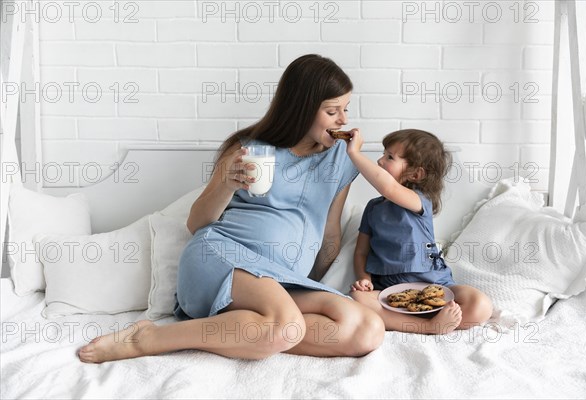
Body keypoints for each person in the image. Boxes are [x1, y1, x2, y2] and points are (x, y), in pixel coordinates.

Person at [78, 54, 384, 363]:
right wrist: (226, 183)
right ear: (302, 107)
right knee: (286, 325)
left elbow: (330, 230)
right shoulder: (248, 149)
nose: (343, 120)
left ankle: (255, 331)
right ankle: (149, 337)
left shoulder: (341, 160)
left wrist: (315, 287)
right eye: (332, 111)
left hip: (281, 283)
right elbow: (197, 223)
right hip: (223, 256)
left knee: (366, 328)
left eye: (345, 109)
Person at [346, 129, 493, 334]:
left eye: (389, 157)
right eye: (383, 154)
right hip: (389, 288)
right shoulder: (373, 208)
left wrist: (354, 153)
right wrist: (364, 279)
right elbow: (361, 251)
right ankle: (427, 326)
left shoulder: (418, 201)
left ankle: (425, 317)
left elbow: (388, 187)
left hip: (433, 282)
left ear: (416, 174)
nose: (379, 161)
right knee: (357, 299)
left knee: (481, 305)